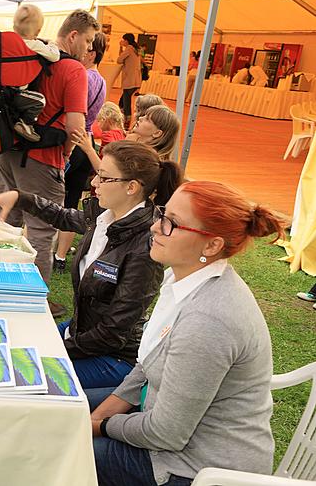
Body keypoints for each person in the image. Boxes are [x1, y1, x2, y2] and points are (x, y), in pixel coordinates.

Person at [91, 180, 284, 486]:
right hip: (170, 432)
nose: (155, 227)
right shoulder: (183, 279)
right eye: (162, 215)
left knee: (60, 449)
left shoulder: (207, 319)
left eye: (172, 224)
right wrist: (96, 417)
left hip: (197, 468)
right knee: (65, 410)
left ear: (211, 246)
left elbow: (166, 434)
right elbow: (147, 363)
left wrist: (102, 426)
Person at [0, 141, 182, 391]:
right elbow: (62, 216)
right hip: (81, 334)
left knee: (17, 373)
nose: (94, 183)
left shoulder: (144, 248)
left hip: (114, 356)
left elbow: (113, 333)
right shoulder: (105, 218)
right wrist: (19, 196)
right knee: (12, 347)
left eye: (103, 177)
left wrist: (58, 347)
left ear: (131, 187)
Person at [0, 9, 98, 315]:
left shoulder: (27, 55)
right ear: (74, 35)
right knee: (41, 230)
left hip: (8, 150)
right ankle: (33, 298)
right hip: (43, 157)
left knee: (6, 222)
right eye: (88, 41)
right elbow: (75, 126)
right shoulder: (73, 70)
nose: (90, 49)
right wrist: (64, 155)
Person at [54, 31, 107, 273]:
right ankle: (61, 256)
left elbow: (72, 113)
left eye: (86, 45)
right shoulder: (102, 81)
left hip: (73, 142)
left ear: (92, 53)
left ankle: (46, 248)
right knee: (72, 200)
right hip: (88, 143)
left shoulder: (82, 76)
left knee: (53, 198)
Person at [10, 4, 61, 142]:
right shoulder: (34, 44)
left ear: (14, 27)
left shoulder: (8, 42)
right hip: (17, 93)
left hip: (0, 89)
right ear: (38, 31)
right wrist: (51, 42)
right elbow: (55, 56)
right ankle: (25, 123)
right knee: (39, 100)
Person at [117, 33, 142, 129]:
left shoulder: (129, 49)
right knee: (122, 102)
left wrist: (120, 47)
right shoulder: (135, 49)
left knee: (126, 103)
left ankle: (126, 124)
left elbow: (119, 60)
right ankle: (122, 119)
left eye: (123, 40)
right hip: (135, 81)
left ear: (126, 40)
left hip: (129, 81)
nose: (122, 41)